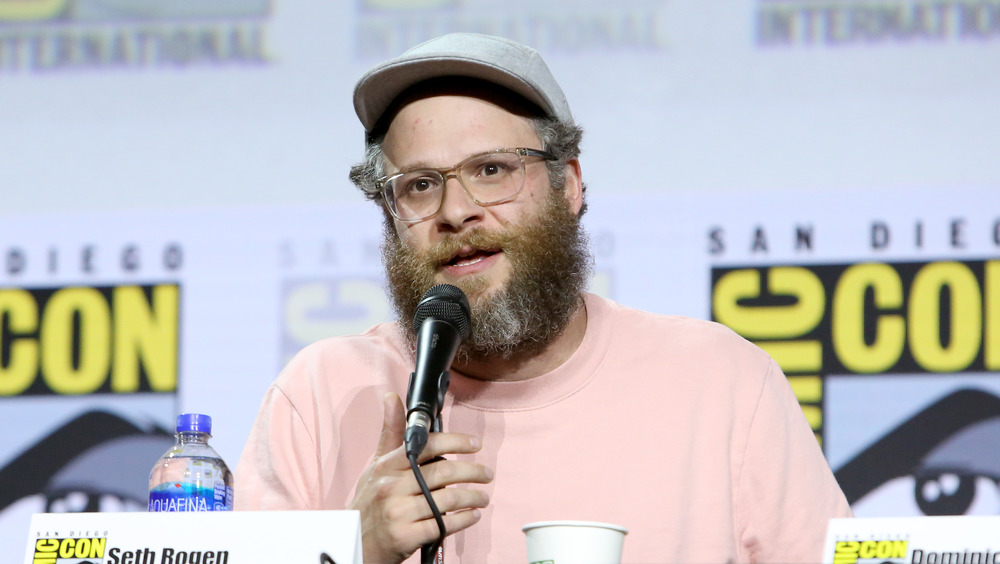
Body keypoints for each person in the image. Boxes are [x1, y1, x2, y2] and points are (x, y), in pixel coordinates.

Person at [235, 32, 853, 563]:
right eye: (420, 185)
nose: (457, 211)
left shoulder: (723, 382)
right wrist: (354, 548)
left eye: (493, 170)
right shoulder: (321, 393)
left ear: (569, 186)